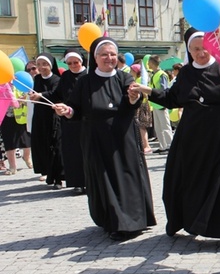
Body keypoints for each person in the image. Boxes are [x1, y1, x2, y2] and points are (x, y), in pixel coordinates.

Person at [130, 28, 220, 247]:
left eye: (205, 47)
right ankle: (185, 220)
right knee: (181, 175)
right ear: (189, 50)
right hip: (192, 133)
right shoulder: (185, 73)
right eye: (196, 49)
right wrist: (146, 90)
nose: (201, 52)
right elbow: (173, 98)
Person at [53, 37, 156, 241]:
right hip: (96, 138)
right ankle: (116, 222)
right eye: (104, 54)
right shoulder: (85, 82)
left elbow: (133, 101)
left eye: (111, 54)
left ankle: (134, 220)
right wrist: (66, 110)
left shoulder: (124, 78)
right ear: (95, 57)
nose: (108, 58)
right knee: (106, 179)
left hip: (123, 136)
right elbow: (76, 108)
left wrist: (134, 98)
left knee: (127, 177)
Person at [33, 49, 87, 192]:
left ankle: (91, 181)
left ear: (81, 61)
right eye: (69, 63)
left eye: (75, 62)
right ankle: (78, 183)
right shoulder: (66, 76)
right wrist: (44, 97)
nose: (73, 65)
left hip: (86, 120)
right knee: (72, 152)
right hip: (68, 120)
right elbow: (57, 94)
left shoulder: (88, 75)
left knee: (87, 152)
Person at [30, 53, 65, 188]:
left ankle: (58, 178)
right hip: (40, 116)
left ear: (50, 65)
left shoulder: (56, 79)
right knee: (42, 145)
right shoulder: (37, 78)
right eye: (39, 64)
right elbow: (35, 92)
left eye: (44, 64)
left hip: (53, 116)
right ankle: (48, 174)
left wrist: (41, 95)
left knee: (55, 146)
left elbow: (55, 94)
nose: (41, 67)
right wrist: (32, 95)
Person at [0, 85, 31, 175]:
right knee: (9, 141)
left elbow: (27, 92)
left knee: (26, 139)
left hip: (21, 114)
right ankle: (12, 166)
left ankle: (27, 157)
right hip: (6, 115)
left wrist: (23, 98)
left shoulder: (18, 82)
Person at [147, 55, 173, 154]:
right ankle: (162, 146)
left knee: (165, 126)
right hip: (155, 103)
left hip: (161, 103)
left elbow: (164, 89)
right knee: (158, 127)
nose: (148, 64)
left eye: (149, 62)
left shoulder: (161, 74)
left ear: (153, 63)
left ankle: (169, 145)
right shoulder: (154, 74)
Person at [129, 64, 152, 154]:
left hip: (142, 104)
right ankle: (144, 145)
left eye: (132, 70)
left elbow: (144, 93)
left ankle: (146, 145)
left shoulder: (139, 80)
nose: (130, 72)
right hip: (142, 104)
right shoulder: (138, 79)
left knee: (142, 125)